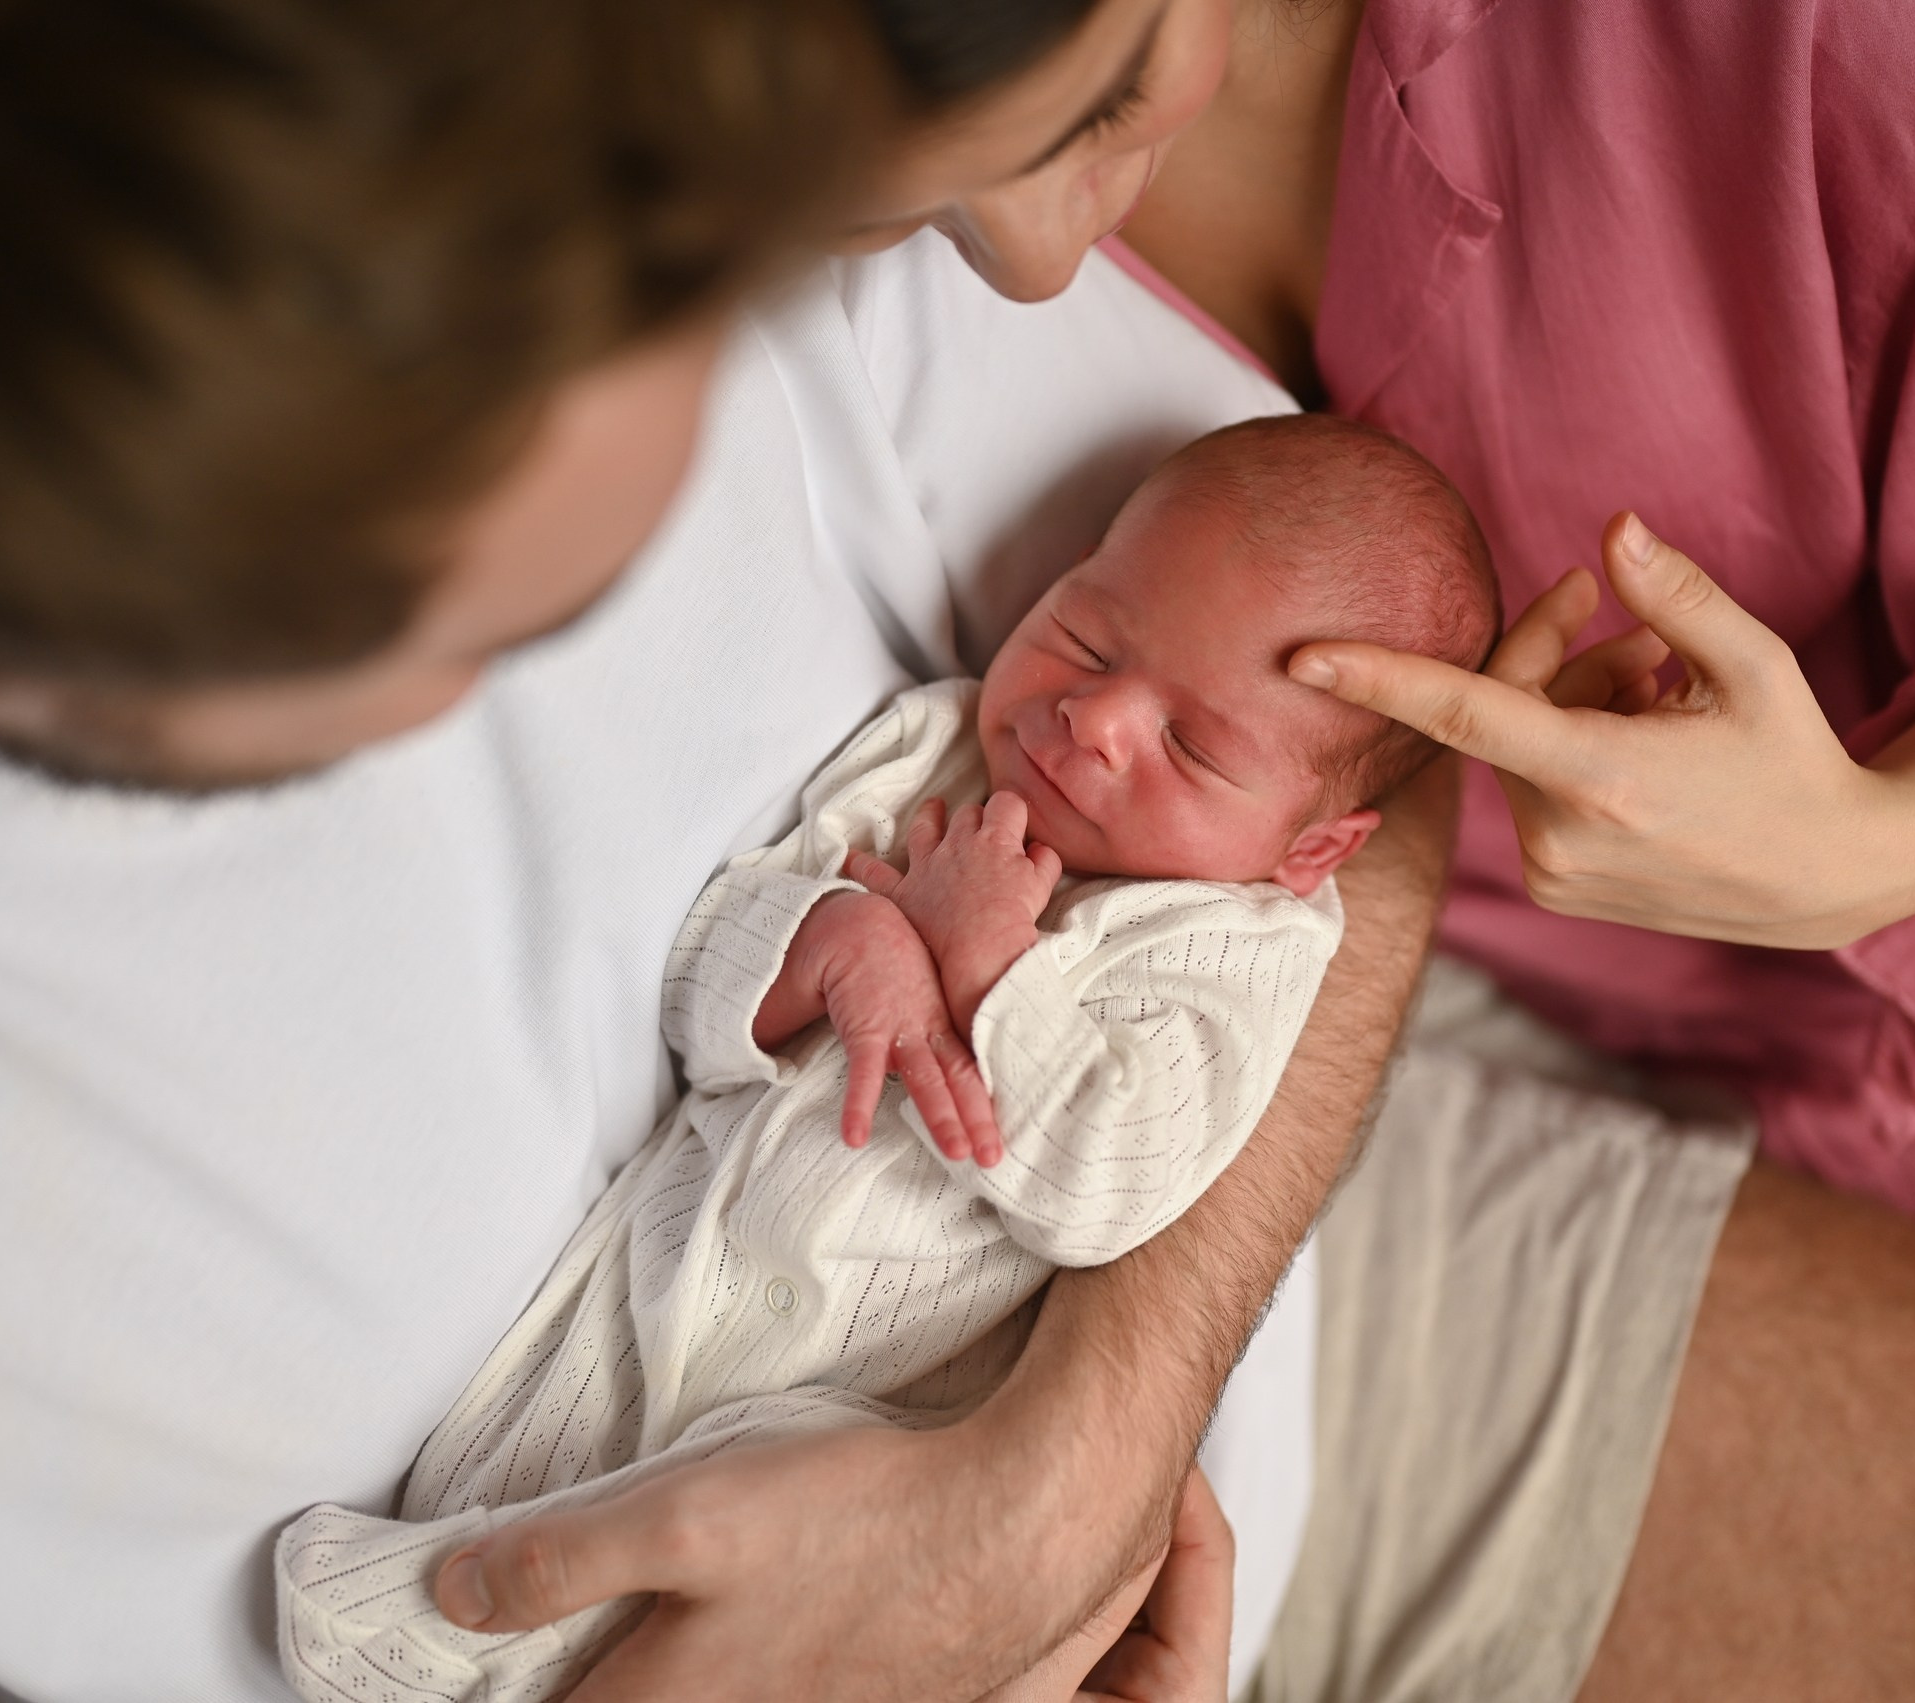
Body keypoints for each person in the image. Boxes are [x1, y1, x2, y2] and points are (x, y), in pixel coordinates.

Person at [418, 1, 1915, 1700]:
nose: (1028, 257)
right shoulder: (813, 167)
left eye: (1094, 106)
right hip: (1589, 1061)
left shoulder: (1815, 44)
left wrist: (1895, 834)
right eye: (905, 196)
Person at [270, 415, 1495, 1703]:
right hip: (662, 1274)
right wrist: (831, 940)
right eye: (1090, 636)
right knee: (465, 1525)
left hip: (878, 1400)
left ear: (1314, 848)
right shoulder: (939, 755)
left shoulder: (1238, 952)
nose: (1094, 722)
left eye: (1194, 746)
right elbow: (700, 975)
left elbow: (1105, 1178)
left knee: (701, 1559)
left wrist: (985, 960)